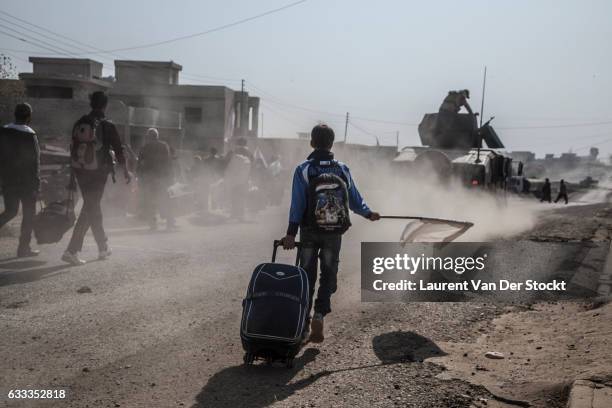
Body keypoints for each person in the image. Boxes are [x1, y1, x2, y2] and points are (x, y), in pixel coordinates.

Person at [280, 124, 380, 343]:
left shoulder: (303, 169)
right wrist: (368, 213)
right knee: (329, 274)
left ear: (312, 143)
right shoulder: (342, 169)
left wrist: (290, 233)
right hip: (333, 232)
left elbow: (297, 204)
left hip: (309, 231)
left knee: (306, 275)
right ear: (332, 144)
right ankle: (319, 313)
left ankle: (304, 324)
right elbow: (353, 199)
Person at [62, 92, 130, 265]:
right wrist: (126, 171)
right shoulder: (107, 125)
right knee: (90, 207)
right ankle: (72, 250)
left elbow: (72, 148)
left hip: (81, 170)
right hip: (98, 172)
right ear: (105, 106)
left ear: (91, 104)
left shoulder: (80, 122)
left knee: (92, 206)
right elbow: (119, 150)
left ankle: (103, 247)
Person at [0, 103, 40, 257]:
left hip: (8, 179)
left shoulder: (4, 131)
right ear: (29, 117)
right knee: (29, 214)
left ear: (14, 114)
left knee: (10, 211)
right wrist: (37, 182)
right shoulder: (30, 135)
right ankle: (24, 248)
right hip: (27, 182)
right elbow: (35, 160)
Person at [137, 128, 175, 230]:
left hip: (149, 179)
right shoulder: (163, 146)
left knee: (150, 201)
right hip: (161, 178)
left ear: (148, 137)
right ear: (157, 136)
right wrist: (170, 177)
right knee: (165, 200)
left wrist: (139, 177)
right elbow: (168, 162)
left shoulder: (145, 148)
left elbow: (140, 164)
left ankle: (153, 224)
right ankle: (170, 222)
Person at [224, 138, 253, 220]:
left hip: (234, 179)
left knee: (234, 196)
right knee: (242, 197)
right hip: (245, 179)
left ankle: (234, 214)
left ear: (238, 143)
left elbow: (226, 162)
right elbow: (252, 165)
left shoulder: (233, 152)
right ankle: (241, 214)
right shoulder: (249, 153)